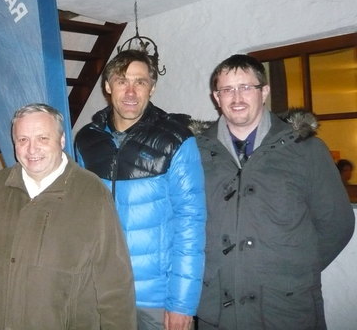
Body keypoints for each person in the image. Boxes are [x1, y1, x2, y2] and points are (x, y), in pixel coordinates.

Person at [195, 54, 355, 330]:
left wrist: (294, 270)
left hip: (285, 308)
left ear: (265, 91)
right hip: (216, 308)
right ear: (216, 97)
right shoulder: (195, 153)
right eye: (227, 89)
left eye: (246, 87)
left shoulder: (307, 150)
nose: (237, 97)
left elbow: (336, 224)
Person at [0, 103, 137, 330]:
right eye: (23, 140)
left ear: (61, 141)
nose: (32, 149)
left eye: (42, 138)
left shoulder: (92, 193)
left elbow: (115, 283)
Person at [75, 49, 206, 330]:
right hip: (99, 291)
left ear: (152, 88)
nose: (131, 91)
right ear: (108, 87)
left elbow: (191, 224)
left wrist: (182, 304)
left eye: (141, 82)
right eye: (122, 81)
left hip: (154, 301)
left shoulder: (177, 140)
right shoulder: (86, 140)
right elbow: (82, 216)